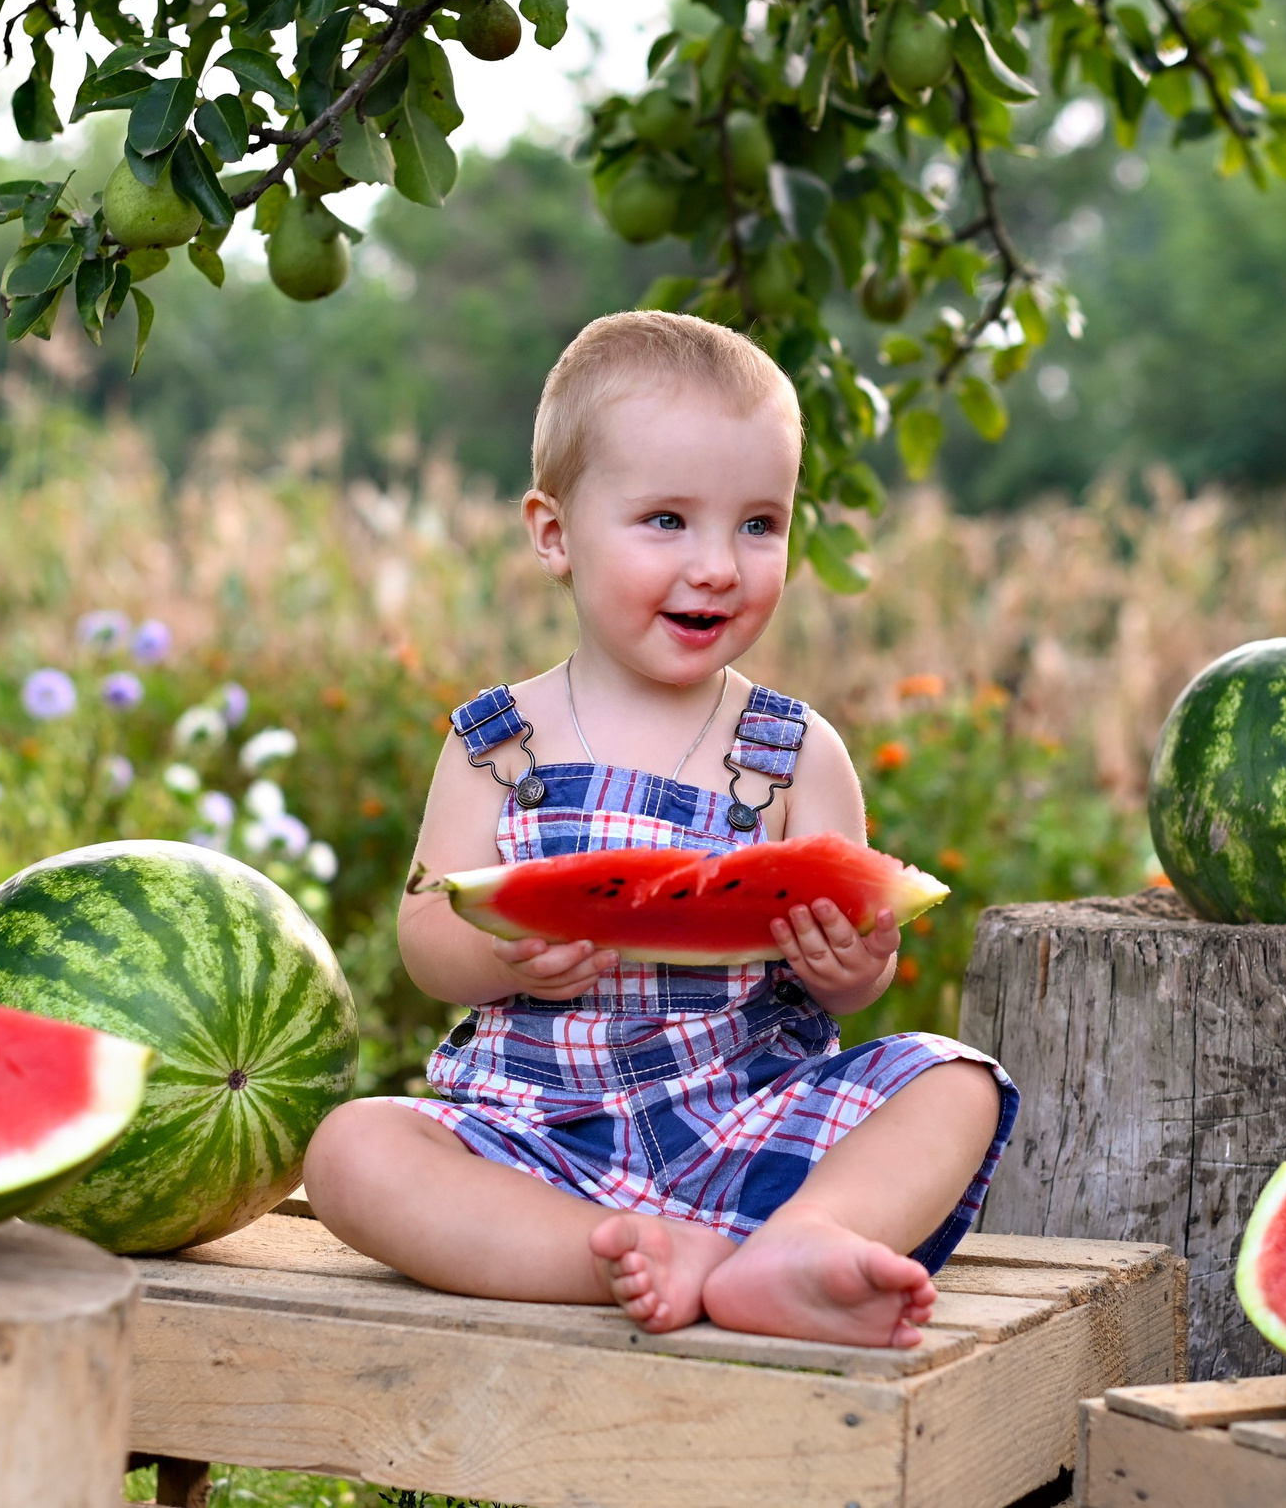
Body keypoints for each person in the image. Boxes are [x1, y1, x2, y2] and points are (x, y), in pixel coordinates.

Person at [303, 312, 1017, 1348]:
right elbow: (427, 942)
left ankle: (804, 1239)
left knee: (957, 1081)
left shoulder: (795, 749)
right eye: (667, 520)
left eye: (758, 524)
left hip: (745, 1118)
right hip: (530, 1138)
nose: (719, 565)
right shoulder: (495, 743)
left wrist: (853, 961)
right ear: (554, 533)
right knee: (352, 1148)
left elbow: (855, 978)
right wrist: (502, 946)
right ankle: (621, 1252)